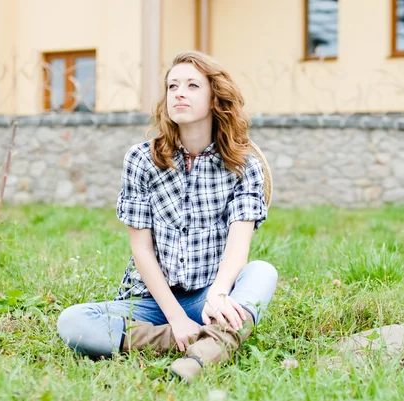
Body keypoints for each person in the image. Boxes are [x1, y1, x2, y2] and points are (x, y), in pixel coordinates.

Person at [57, 51, 278, 382]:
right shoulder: (141, 160)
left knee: (262, 272)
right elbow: (142, 250)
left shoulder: (244, 164)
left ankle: (202, 353)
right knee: (72, 323)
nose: (178, 93)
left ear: (215, 97)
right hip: (151, 302)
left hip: (208, 296)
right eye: (172, 85)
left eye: (191, 85)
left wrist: (218, 294)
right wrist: (175, 318)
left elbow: (238, 244)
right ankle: (204, 340)